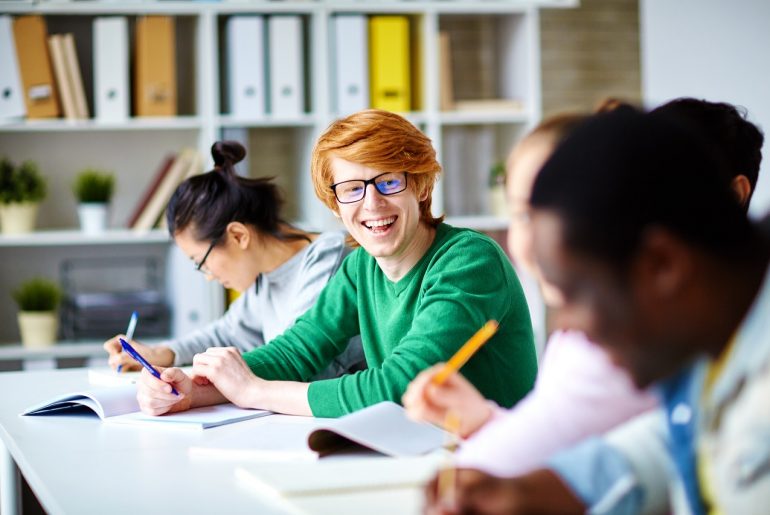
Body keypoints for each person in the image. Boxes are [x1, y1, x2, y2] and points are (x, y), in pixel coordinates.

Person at [423, 107, 770, 514]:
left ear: (663, 265)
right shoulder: (709, 339)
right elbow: (674, 440)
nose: (568, 327)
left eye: (576, 295)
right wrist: (532, 493)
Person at [135, 109, 538, 418]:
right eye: (351, 189)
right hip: (415, 450)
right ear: (336, 203)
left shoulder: (469, 260)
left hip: (493, 464)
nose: (372, 203)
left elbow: (399, 384)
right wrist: (192, 388)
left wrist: (254, 392)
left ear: (419, 184)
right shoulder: (359, 268)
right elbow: (295, 353)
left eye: (389, 182)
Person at [103, 140, 366, 380]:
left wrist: (197, 378)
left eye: (201, 260)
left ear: (238, 235)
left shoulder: (328, 258)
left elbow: (298, 358)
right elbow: (226, 332)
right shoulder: (265, 277)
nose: (208, 275)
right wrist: (162, 353)